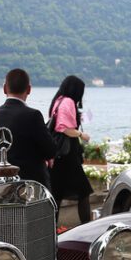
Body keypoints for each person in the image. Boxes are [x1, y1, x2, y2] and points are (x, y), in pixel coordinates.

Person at [0, 67, 55, 187]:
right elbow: (50, 150)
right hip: (33, 183)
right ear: (29, 89)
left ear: (4, 88)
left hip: (4, 183)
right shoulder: (33, 115)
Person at [47, 75, 94, 225]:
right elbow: (65, 128)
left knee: (57, 194)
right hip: (67, 155)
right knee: (83, 191)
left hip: (60, 155)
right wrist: (82, 134)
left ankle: (51, 231)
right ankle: (87, 227)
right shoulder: (68, 102)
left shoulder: (58, 100)